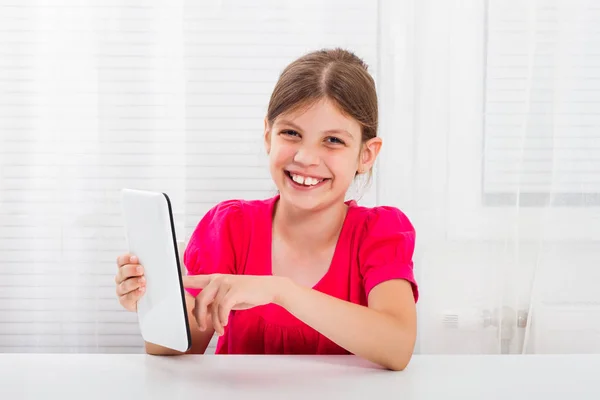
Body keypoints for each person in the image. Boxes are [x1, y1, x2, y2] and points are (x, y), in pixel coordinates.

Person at [114, 48, 419, 371]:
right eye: (291, 133)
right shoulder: (231, 227)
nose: (306, 157)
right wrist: (154, 304)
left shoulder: (380, 232)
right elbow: (177, 347)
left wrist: (280, 291)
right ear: (267, 135)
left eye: (332, 140)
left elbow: (397, 346)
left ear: (366, 154)